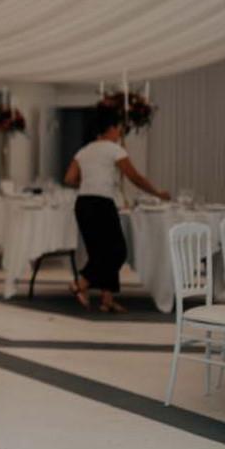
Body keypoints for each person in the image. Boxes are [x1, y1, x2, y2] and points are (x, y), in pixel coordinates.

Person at [63, 107, 171, 313]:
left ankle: (107, 299)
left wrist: (89, 183)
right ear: (112, 128)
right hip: (101, 204)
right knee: (117, 251)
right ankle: (80, 284)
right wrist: (158, 193)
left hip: (83, 203)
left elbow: (69, 178)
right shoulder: (115, 149)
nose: (121, 132)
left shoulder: (84, 150)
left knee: (98, 252)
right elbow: (135, 177)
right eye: (119, 128)